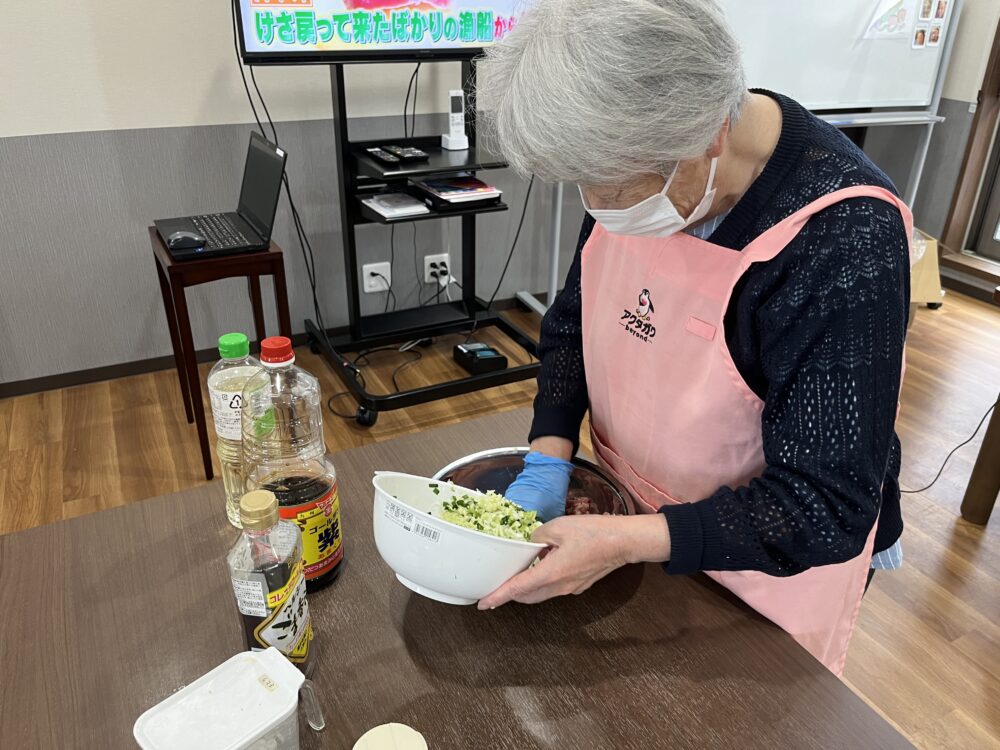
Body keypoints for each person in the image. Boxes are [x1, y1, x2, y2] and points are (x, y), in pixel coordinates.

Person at [477, 0, 911, 676]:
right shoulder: (640, 162)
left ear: (708, 134)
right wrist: (549, 458)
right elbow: (572, 324)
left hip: (766, 566)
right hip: (628, 519)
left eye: (619, 185)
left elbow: (827, 504)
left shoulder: (844, 238)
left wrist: (631, 541)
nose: (603, 204)